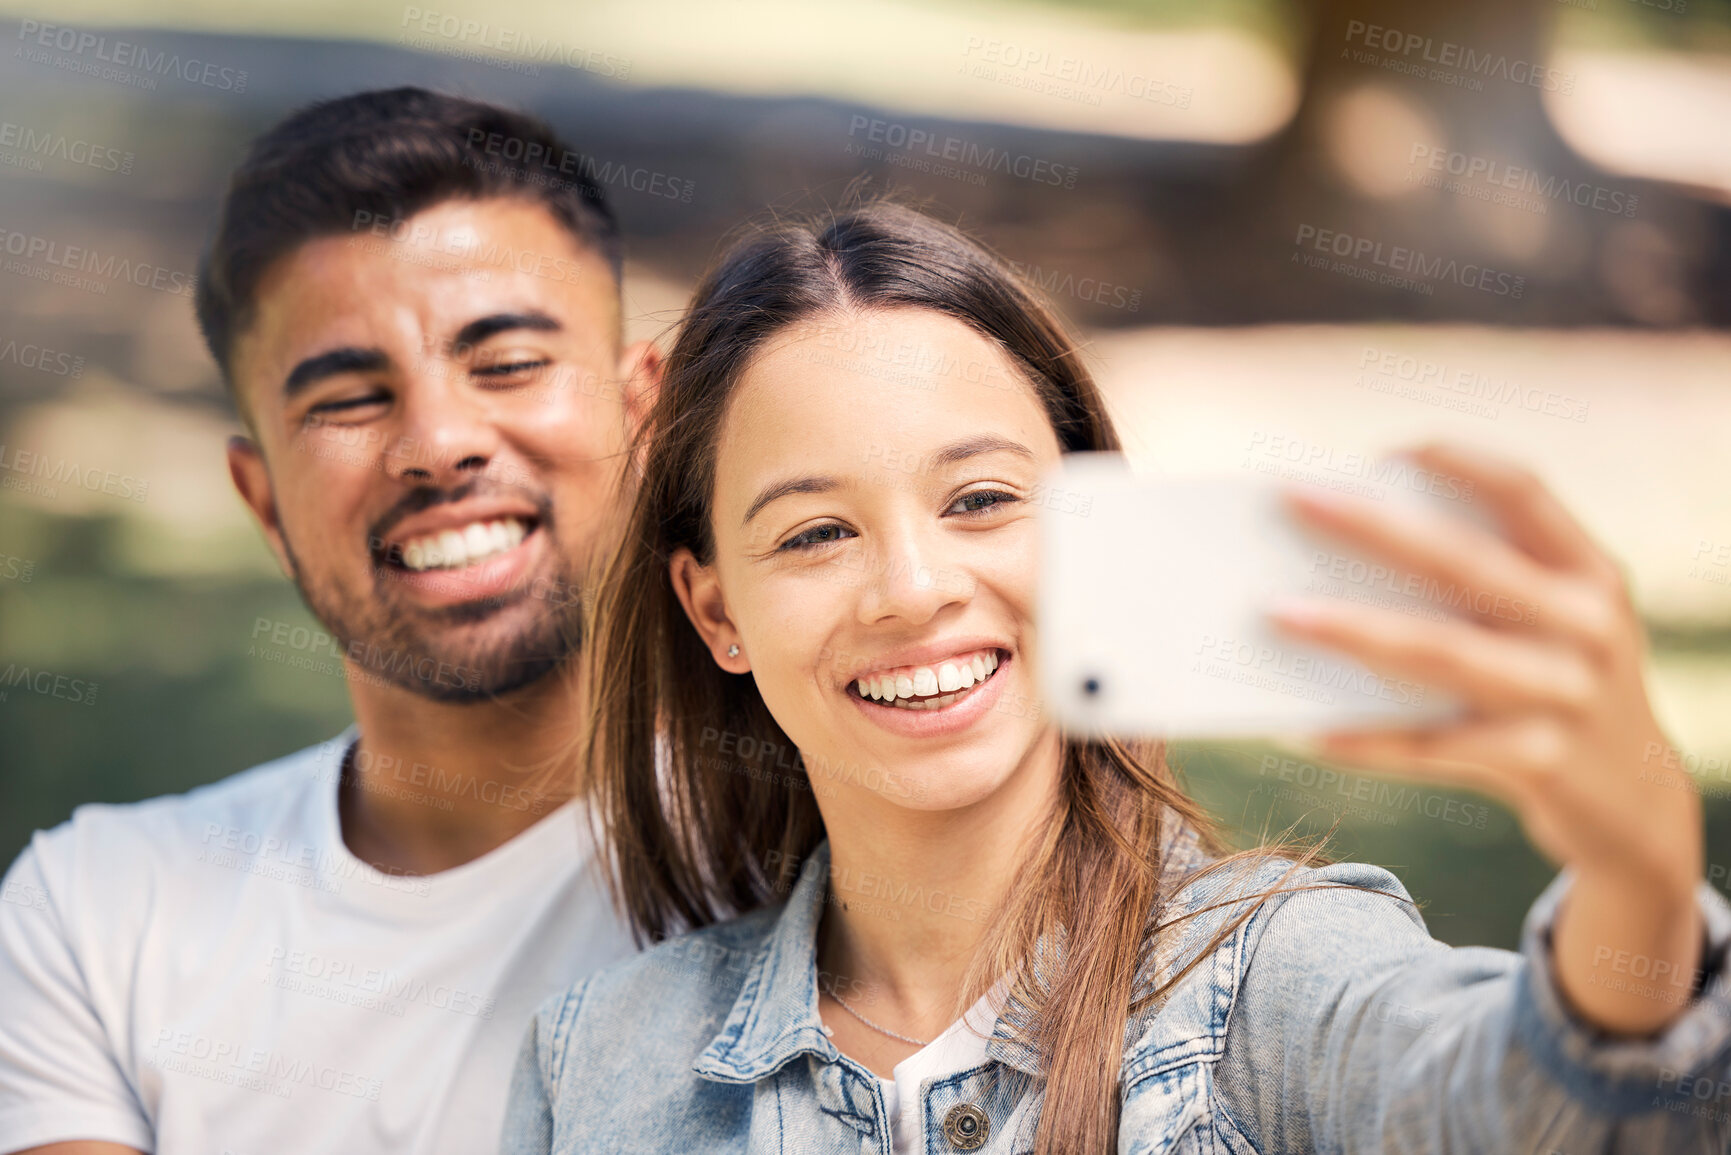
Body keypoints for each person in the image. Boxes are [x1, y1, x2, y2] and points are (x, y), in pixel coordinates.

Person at [501, 199, 1731, 1153]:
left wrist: (1641, 875)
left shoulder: (1275, 979)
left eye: (982, 500)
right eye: (816, 532)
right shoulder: (602, 1063)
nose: (913, 588)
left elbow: (1559, 1117)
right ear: (715, 608)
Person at [0, 87, 661, 1154]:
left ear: (644, 414)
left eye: (507, 363)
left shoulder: (833, 852)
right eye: (350, 398)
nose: (439, 442)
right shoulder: (98, 915)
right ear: (262, 502)